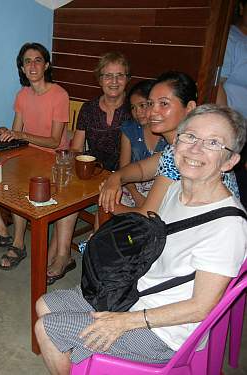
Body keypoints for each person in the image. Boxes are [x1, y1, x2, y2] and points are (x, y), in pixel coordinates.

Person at [35, 104, 247, 374]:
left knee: (48, 329)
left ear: (230, 161)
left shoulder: (228, 225)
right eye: (190, 136)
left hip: (165, 331)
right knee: (44, 304)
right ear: (176, 143)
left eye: (213, 143)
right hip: (136, 292)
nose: (195, 149)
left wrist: (125, 322)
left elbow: (201, 308)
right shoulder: (175, 191)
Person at [0, 42, 73, 281]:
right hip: (27, 155)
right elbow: (16, 132)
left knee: (18, 182)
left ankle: (18, 243)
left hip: (53, 160)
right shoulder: (23, 95)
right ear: (22, 68)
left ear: (46, 65)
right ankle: (4, 232)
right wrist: (4, 133)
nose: (33, 65)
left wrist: (20, 135)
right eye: (27, 61)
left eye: (38, 60)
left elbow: (54, 141)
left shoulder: (59, 94)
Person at [99, 71, 240, 215]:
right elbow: (141, 169)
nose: (152, 111)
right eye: (150, 103)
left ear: (189, 108)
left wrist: (108, 204)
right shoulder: (178, 147)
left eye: (164, 103)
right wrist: (116, 177)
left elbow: (148, 215)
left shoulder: (190, 153)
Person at [70, 51, 132, 171]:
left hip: (126, 176)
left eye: (120, 75)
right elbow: (76, 149)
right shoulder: (88, 108)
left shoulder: (134, 109)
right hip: (93, 172)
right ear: (100, 80)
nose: (114, 81)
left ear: (127, 79)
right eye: (108, 76)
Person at [216, 0, 247, 208]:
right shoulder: (231, 39)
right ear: (242, 8)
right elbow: (217, 85)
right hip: (237, 130)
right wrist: (229, 129)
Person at [119, 79, 167, 207]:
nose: (137, 112)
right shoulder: (130, 129)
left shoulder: (167, 131)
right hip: (132, 185)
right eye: (133, 108)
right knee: (108, 201)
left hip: (161, 187)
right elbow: (124, 169)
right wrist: (136, 195)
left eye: (142, 105)